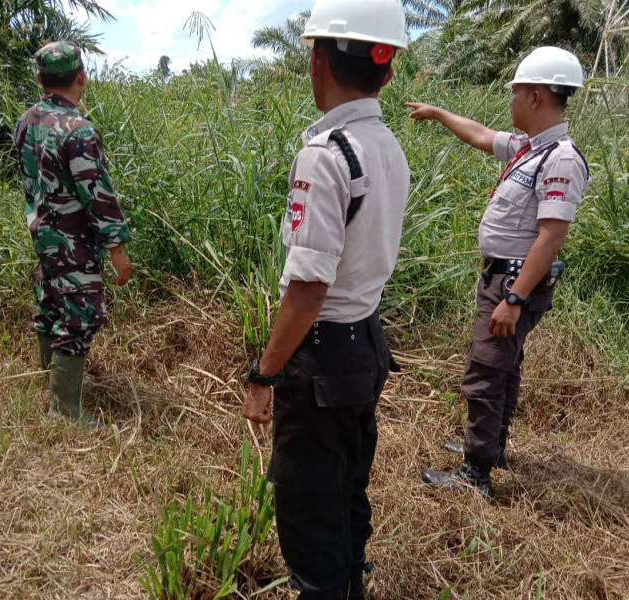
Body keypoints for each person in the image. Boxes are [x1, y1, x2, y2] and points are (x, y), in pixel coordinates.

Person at [241, 0, 410, 597]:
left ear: (317, 60)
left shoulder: (326, 153)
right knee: (345, 491)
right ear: (386, 71)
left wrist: (264, 373)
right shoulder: (387, 145)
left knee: (310, 512)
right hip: (365, 342)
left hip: (321, 359)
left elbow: (309, 289)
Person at [408, 46, 590, 499]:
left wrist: (513, 299)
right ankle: (492, 447)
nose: (508, 102)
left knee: (485, 371)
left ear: (535, 97)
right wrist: (437, 112)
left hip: (513, 282)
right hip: (503, 277)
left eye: (514, 93)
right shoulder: (531, 148)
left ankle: (476, 473)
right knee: (504, 367)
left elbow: (550, 237)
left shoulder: (560, 159)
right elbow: (480, 135)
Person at [15, 41, 132, 426]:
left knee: (50, 301)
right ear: (81, 77)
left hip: (42, 234)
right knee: (81, 315)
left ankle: (48, 375)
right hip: (72, 240)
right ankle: (64, 411)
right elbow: (96, 193)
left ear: (39, 80)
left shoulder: (27, 121)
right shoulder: (77, 130)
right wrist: (116, 248)